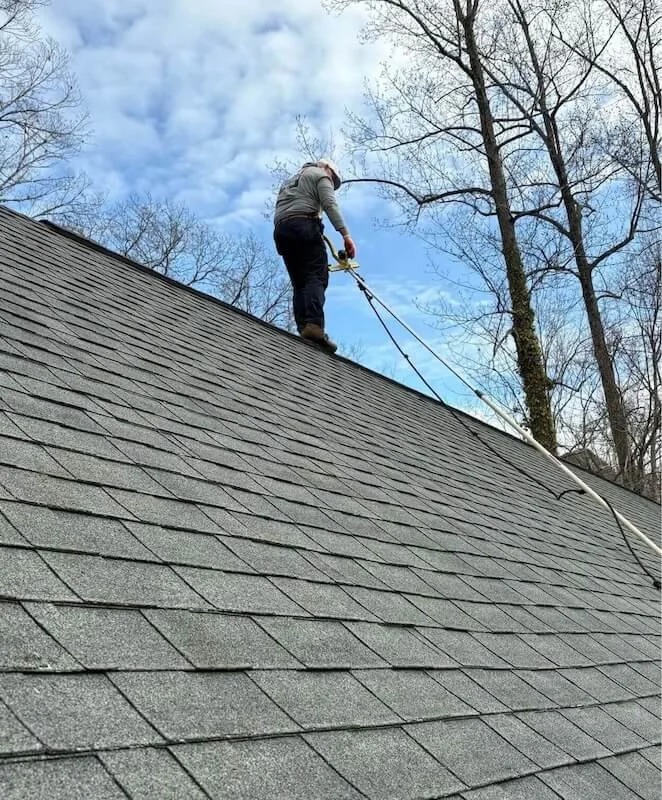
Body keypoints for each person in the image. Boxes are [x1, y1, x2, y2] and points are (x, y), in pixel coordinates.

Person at [273, 159, 356, 353]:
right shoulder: (321, 175)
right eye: (333, 180)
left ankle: (304, 327)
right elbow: (329, 204)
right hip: (304, 226)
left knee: (299, 282)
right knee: (316, 276)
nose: (331, 183)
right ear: (327, 169)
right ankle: (314, 326)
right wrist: (346, 235)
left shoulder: (290, 181)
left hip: (282, 231)